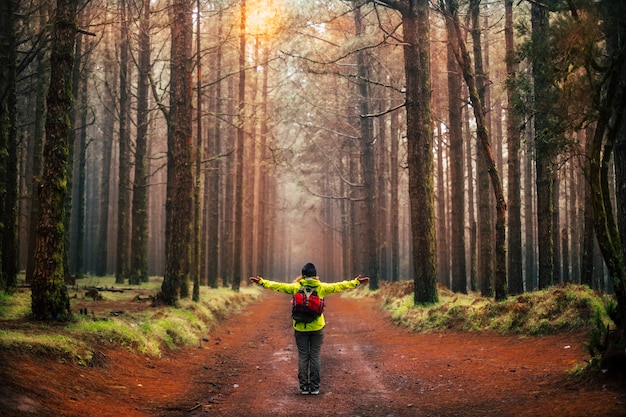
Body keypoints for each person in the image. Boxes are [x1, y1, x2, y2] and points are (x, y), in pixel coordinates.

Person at [249, 262, 369, 395]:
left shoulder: (295, 287)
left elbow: (278, 286)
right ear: (315, 275)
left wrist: (262, 282)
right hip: (317, 328)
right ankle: (315, 387)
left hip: (300, 328)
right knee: (315, 356)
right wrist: (355, 282)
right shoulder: (322, 287)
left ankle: (304, 387)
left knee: (303, 356)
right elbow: (340, 286)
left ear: (303, 275)